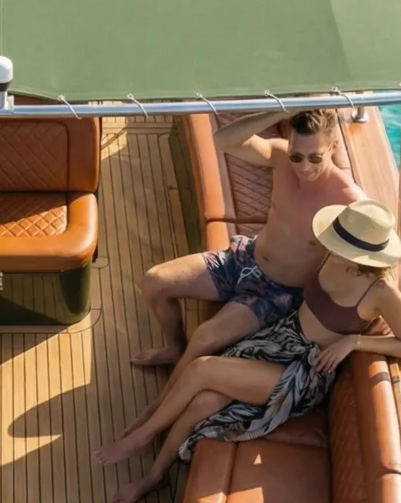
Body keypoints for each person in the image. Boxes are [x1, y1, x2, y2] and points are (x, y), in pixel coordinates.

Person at [96, 200, 401, 503]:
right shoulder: (329, 255)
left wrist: (354, 342)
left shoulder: (382, 293)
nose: (334, 247)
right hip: (276, 341)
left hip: (304, 373)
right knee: (203, 402)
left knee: (201, 369)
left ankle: (144, 435)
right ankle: (156, 475)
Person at [125, 109, 364, 432]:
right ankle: (174, 348)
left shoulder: (348, 199)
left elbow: (379, 257)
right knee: (153, 281)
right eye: (297, 155)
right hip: (244, 259)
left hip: (278, 293)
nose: (304, 167)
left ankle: (158, 409)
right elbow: (225, 139)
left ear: (333, 146)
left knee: (205, 337)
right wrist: (281, 111)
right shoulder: (281, 158)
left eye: (314, 157)